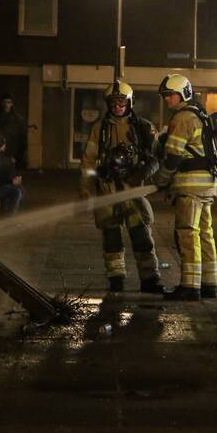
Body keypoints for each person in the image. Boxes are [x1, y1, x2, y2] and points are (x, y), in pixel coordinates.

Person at [79, 80, 164, 293]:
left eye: (122, 102)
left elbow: (156, 157)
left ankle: (150, 279)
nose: (118, 106)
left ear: (130, 102)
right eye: (113, 103)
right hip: (107, 189)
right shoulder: (100, 129)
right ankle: (116, 279)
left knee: (141, 236)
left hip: (132, 190)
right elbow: (88, 161)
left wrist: (142, 174)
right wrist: (86, 188)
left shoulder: (143, 127)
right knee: (111, 238)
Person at [152, 73, 217, 301]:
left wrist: (160, 180)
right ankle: (209, 283)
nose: (167, 99)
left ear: (183, 94)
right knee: (205, 234)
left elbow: (172, 156)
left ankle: (189, 286)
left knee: (187, 234)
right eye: (165, 95)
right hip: (208, 185)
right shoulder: (200, 114)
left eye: (170, 95)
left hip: (190, 187)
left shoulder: (182, 118)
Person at [0, 94, 27, 171]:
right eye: (4, 102)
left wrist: (18, 156)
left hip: (12, 152)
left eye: (8, 102)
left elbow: (22, 138)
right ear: (2, 103)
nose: (6, 105)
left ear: (11, 104)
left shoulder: (17, 119)